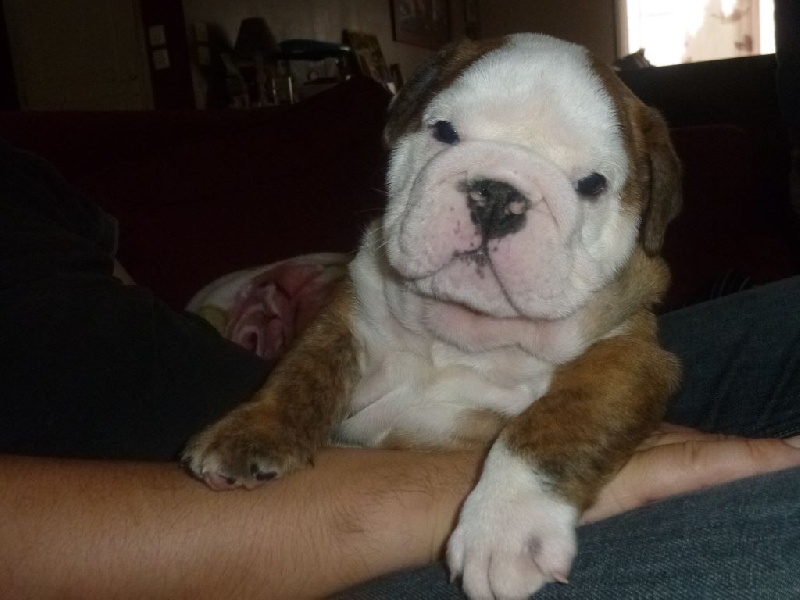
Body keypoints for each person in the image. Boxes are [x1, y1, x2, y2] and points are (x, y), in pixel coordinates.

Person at [1, 142, 799, 600]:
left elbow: (138, 322)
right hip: (286, 544)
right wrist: (488, 481)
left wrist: (291, 343)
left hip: (357, 393)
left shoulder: (21, 173)